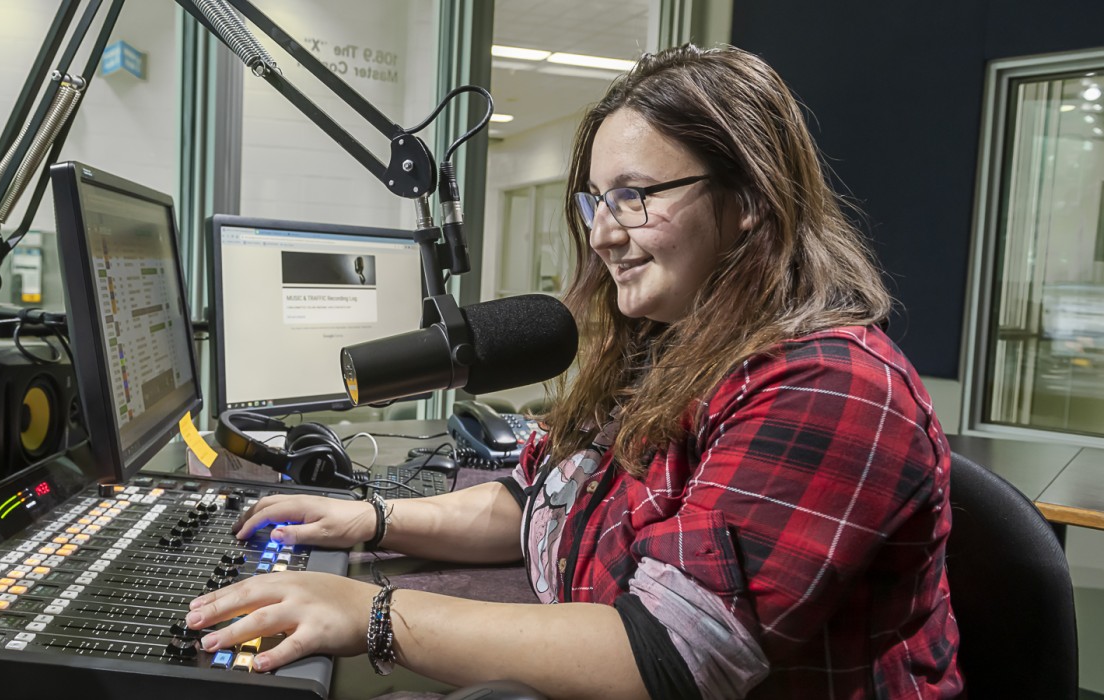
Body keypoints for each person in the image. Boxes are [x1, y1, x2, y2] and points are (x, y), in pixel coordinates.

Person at [187, 44, 961, 699]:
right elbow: (532, 502)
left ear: (749, 199)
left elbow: (673, 652)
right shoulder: (662, 341)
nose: (603, 235)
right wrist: (375, 521)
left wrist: (374, 614)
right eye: (597, 203)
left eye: (635, 197)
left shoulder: (828, 385)